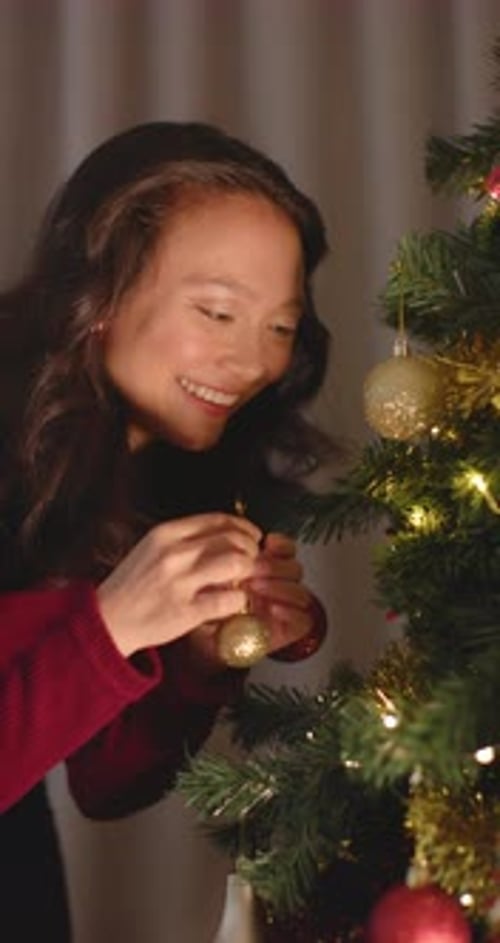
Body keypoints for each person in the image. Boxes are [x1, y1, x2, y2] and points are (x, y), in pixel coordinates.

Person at [0, 121, 330, 940]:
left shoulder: (165, 470)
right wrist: (111, 627)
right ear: (100, 291)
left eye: (280, 327)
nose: (252, 362)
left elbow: (106, 786)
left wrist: (191, 657)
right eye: (218, 311)